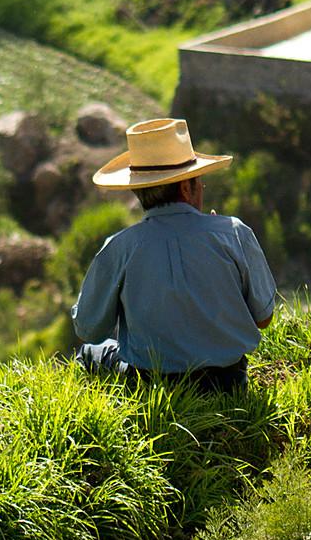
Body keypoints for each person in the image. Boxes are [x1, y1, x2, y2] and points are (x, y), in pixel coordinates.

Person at [72, 117, 277, 392]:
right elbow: (263, 318)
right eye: (199, 182)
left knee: (90, 352)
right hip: (228, 385)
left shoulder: (119, 247)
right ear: (185, 187)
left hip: (150, 386)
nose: (202, 188)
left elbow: (88, 330)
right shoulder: (233, 233)